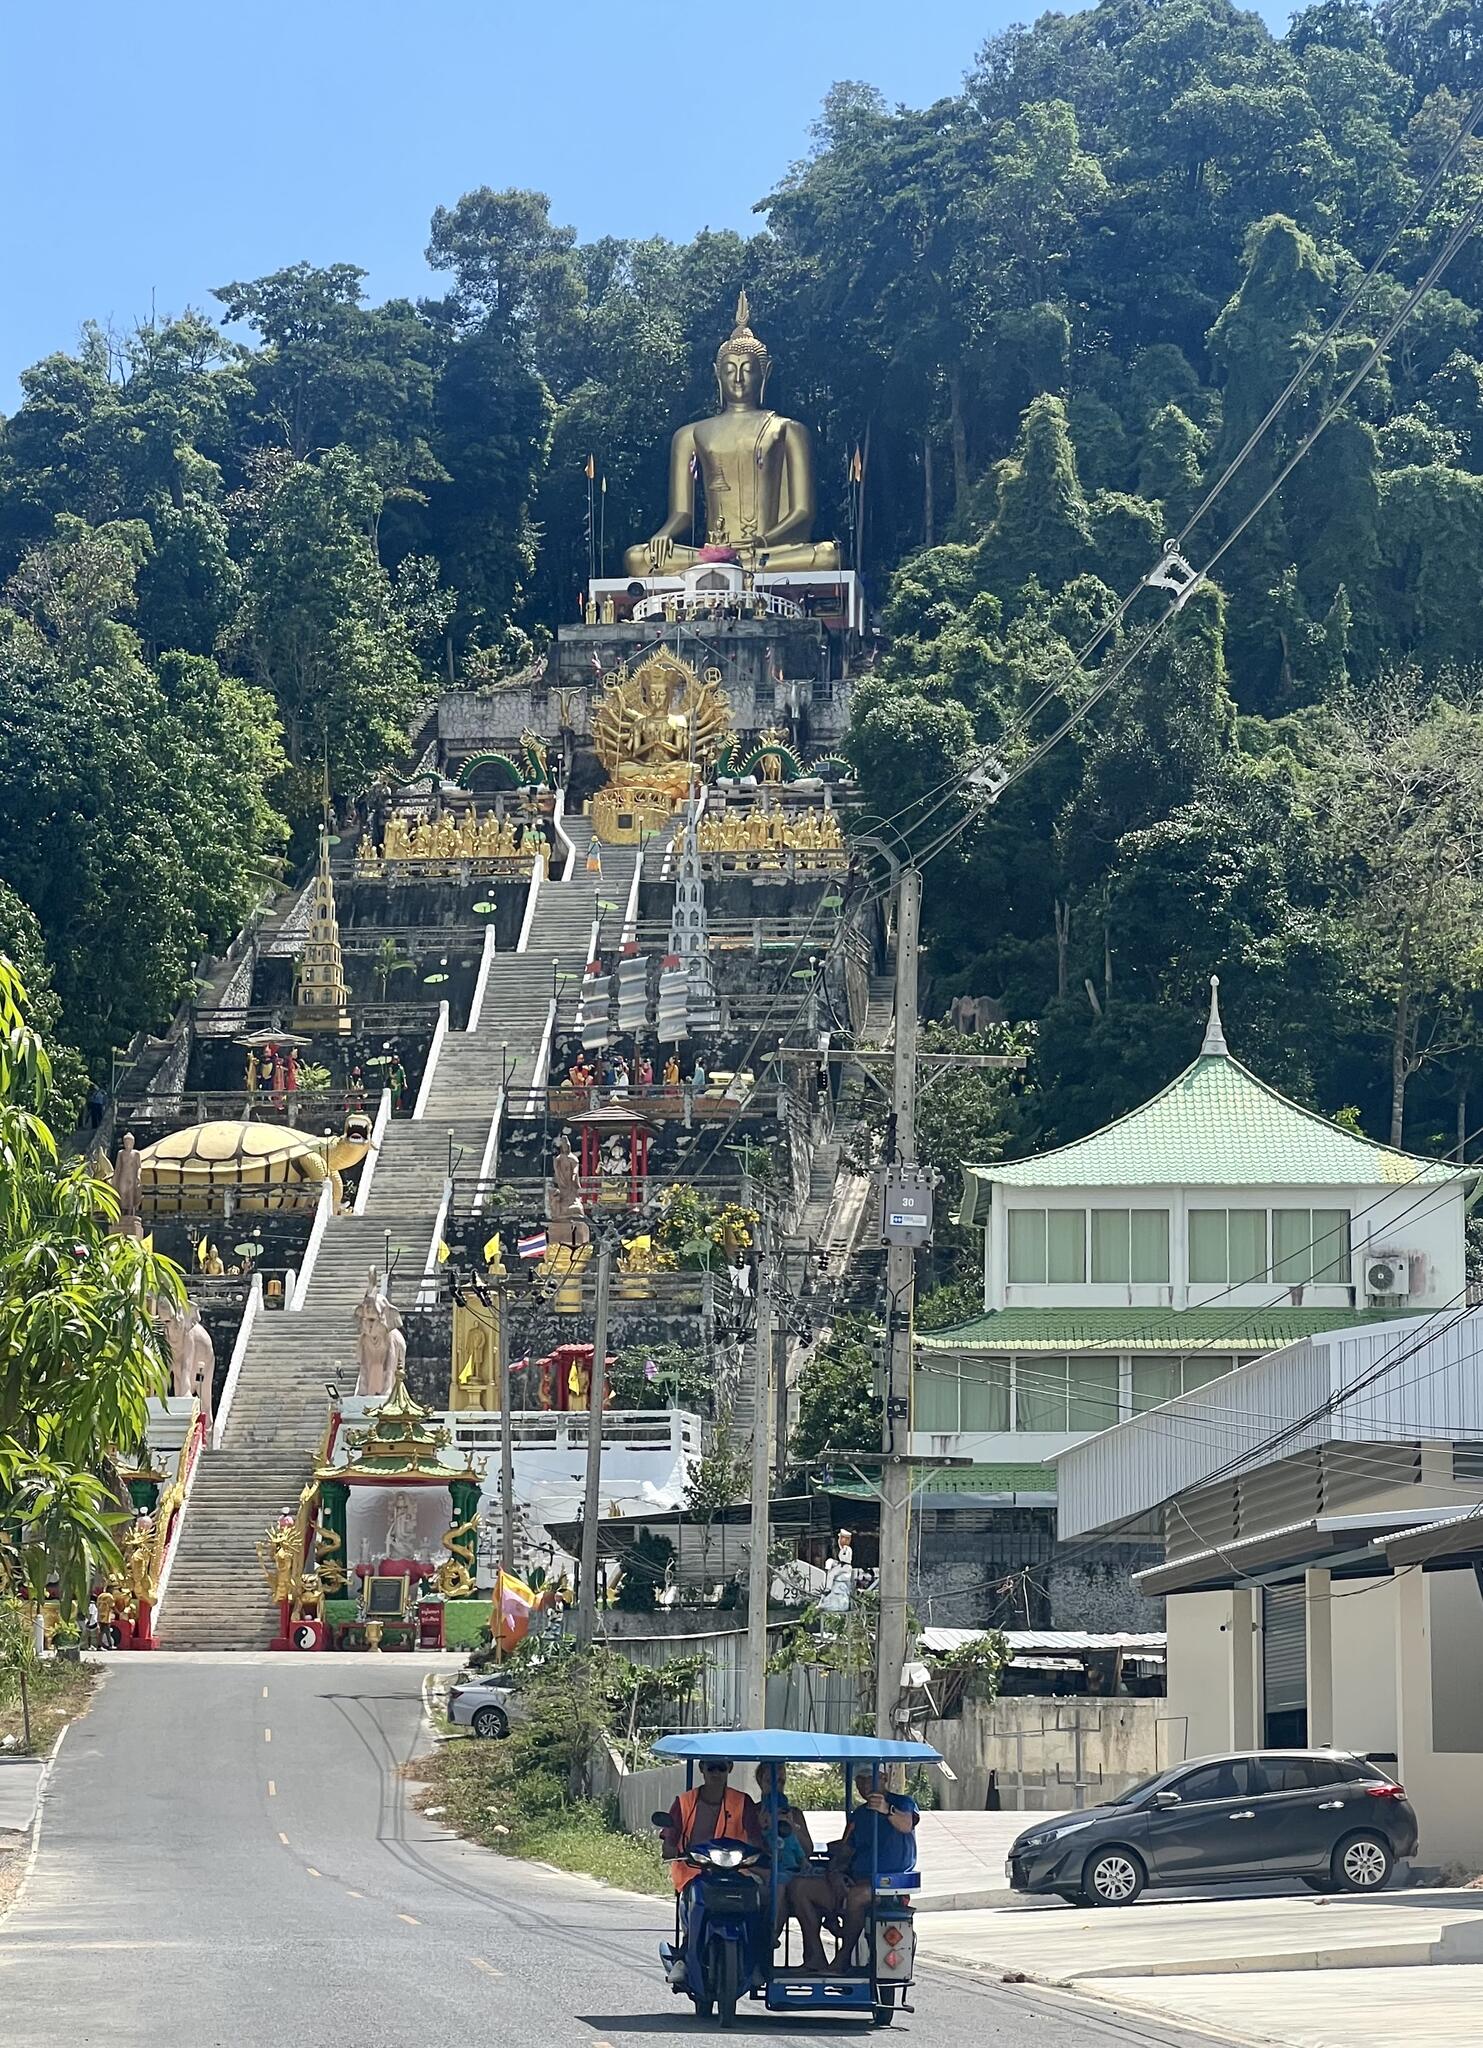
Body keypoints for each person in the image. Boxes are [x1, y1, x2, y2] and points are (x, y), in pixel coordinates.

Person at [791, 1771, 919, 1972]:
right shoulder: (859, 1815)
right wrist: (834, 1873)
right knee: (800, 1888)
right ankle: (815, 1956)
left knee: (857, 1896)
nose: (864, 1784)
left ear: (883, 1778)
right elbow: (846, 1849)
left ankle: (841, 1961)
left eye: (869, 1778)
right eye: (859, 1779)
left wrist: (886, 1809)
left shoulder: (902, 1803)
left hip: (887, 1885)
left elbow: (906, 1824)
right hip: (856, 1879)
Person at [658, 1761, 766, 1987]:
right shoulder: (684, 1802)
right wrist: (671, 1848)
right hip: (694, 1870)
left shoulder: (741, 1801)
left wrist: (758, 1851)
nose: (716, 1773)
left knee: (759, 1898)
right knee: (692, 1902)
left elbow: (755, 1837)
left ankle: (754, 1960)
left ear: (730, 1769)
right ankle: (685, 1955)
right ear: (702, 1770)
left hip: (736, 1870)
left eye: (721, 1768)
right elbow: (670, 1838)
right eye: (711, 1768)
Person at [757, 1761, 814, 1950]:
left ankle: (771, 1937)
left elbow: (807, 1849)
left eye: (780, 1781)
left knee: (786, 1888)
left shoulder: (794, 1813)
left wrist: (791, 1827)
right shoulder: (753, 1811)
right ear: (760, 1782)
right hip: (761, 1870)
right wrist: (762, 1828)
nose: (775, 1786)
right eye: (769, 1780)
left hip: (790, 1871)